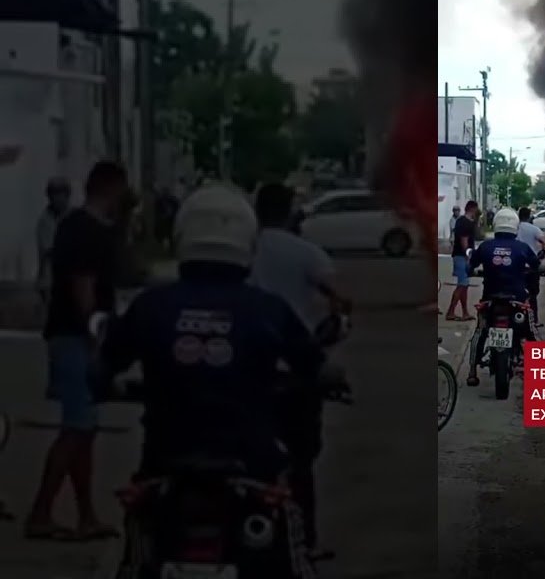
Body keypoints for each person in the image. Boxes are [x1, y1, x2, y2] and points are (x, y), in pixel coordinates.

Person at [98, 183, 324, 578]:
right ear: (247, 241)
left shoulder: (152, 306)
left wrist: (105, 384)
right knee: (290, 549)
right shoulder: (267, 309)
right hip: (251, 462)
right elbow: (314, 365)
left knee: (137, 552)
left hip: (165, 460)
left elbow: (103, 366)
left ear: (182, 235)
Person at [25, 161, 130, 541]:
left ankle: (86, 515)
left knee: (85, 430)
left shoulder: (75, 226)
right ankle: (40, 512)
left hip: (69, 335)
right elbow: (83, 289)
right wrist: (97, 338)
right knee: (76, 429)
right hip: (75, 338)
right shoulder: (87, 231)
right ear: (111, 188)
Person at [248, 183, 350, 557]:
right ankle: (304, 541)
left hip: (246, 368)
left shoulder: (244, 250)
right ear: (291, 212)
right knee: (301, 460)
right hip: (296, 369)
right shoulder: (305, 252)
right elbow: (340, 298)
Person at [465, 207, 540, 387]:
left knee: (480, 331)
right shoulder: (522, 247)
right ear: (515, 226)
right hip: (516, 298)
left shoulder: (485, 246)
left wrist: (473, 270)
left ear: (496, 224)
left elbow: (470, 266)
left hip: (490, 298)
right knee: (530, 330)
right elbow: (537, 264)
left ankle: (472, 371)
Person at [36, 177, 72, 306]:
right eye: (53, 193)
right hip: (51, 281)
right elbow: (50, 250)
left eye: (60, 193)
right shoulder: (45, 221)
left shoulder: (73, 216)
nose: (57, 198)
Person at [515, 207, 545, 327]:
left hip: (516, 265)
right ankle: (534, 320)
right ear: (529, 216)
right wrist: (542, 253)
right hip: (531, 265)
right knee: (533, 294)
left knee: (515, 292)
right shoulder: (534, 229)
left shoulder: (514, 228)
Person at [446, 201, 479, 322]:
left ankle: (465, 312)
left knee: (464, 285)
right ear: (473, 209)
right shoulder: (466, 223)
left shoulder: (461, 221)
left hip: (459, 255)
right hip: (461, 256)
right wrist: (468, 256)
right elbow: (464, 240)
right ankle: (450, 312)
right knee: (462, 284)